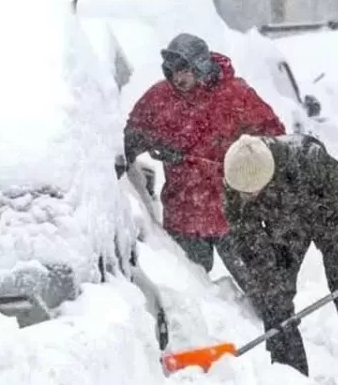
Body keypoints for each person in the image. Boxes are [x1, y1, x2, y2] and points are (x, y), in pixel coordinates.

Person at [220, 133, 338, 385]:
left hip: (332, 220)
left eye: (252, 193)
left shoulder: (311, 161)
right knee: (274, 303)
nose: (245, 198)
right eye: (242, 194)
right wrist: (270, 281)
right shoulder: (236, 176)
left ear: (267, 178)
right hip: (286, 228)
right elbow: (246, 236)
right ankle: (291, 383)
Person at [121, 33, 286, 281]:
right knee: (191, 294)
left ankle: (277, 320)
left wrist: (247, 167)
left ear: (200, 65)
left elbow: (272, 140)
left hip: (234, 213)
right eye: (172, 71)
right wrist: (154, 145)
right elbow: (128, 140)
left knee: (261, 289)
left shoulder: (235, 95)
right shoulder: (159, 98)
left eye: (184, 70)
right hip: (185, 215)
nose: (178, 78)